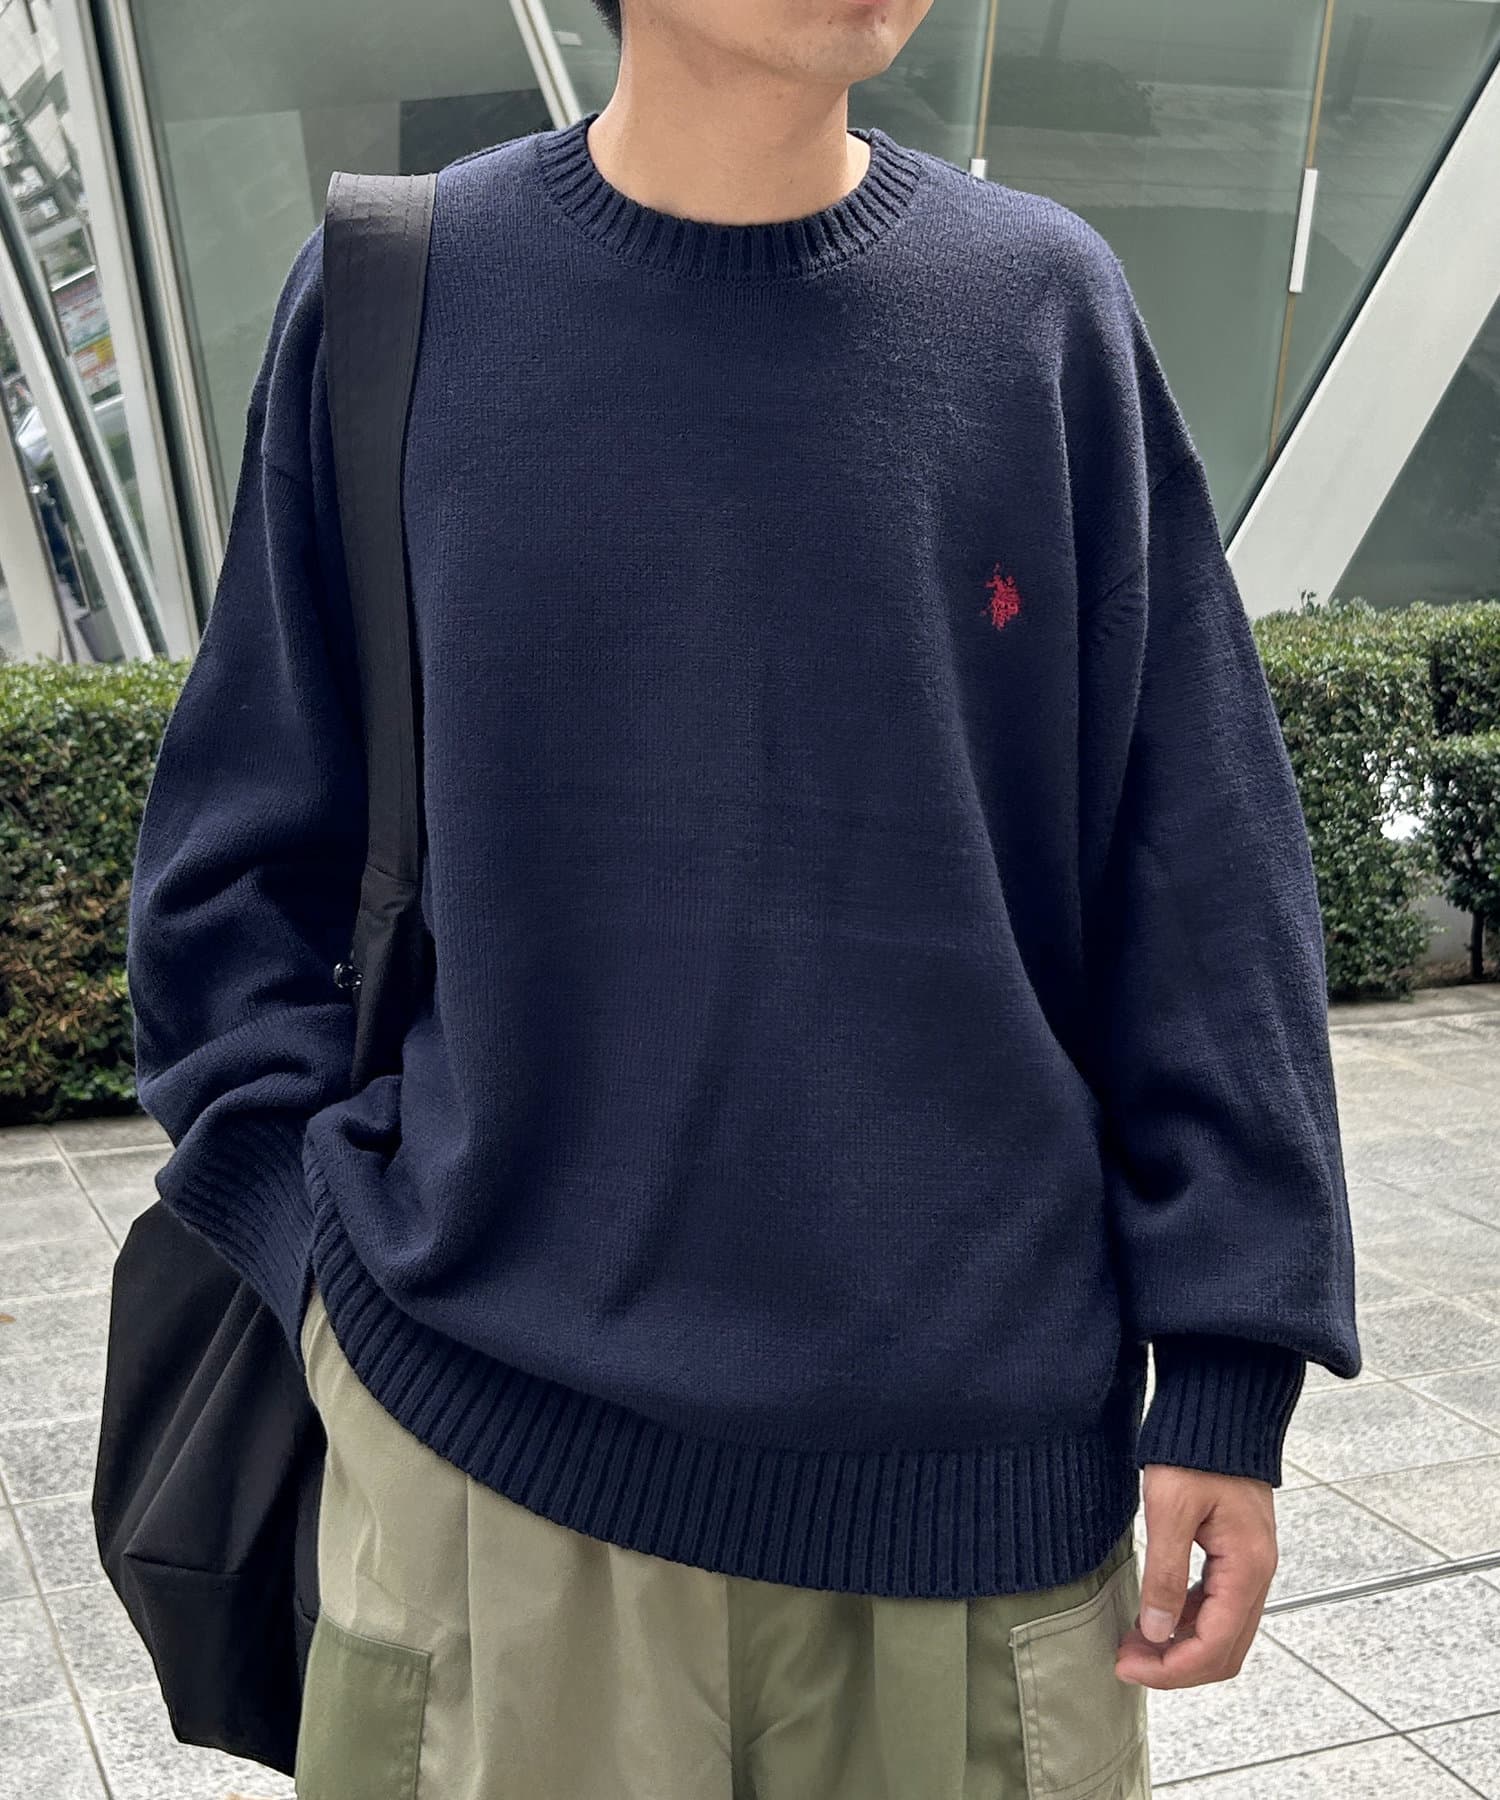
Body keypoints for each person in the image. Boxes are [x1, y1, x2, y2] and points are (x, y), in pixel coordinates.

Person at [125, 0, 1362, 1793]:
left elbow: (1202, 879)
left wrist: (1234, 1366)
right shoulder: (400, 298)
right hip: (493, 1481)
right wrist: (323, 1281)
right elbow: (231, 872)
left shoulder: (1040, 313)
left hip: (978, 1509)